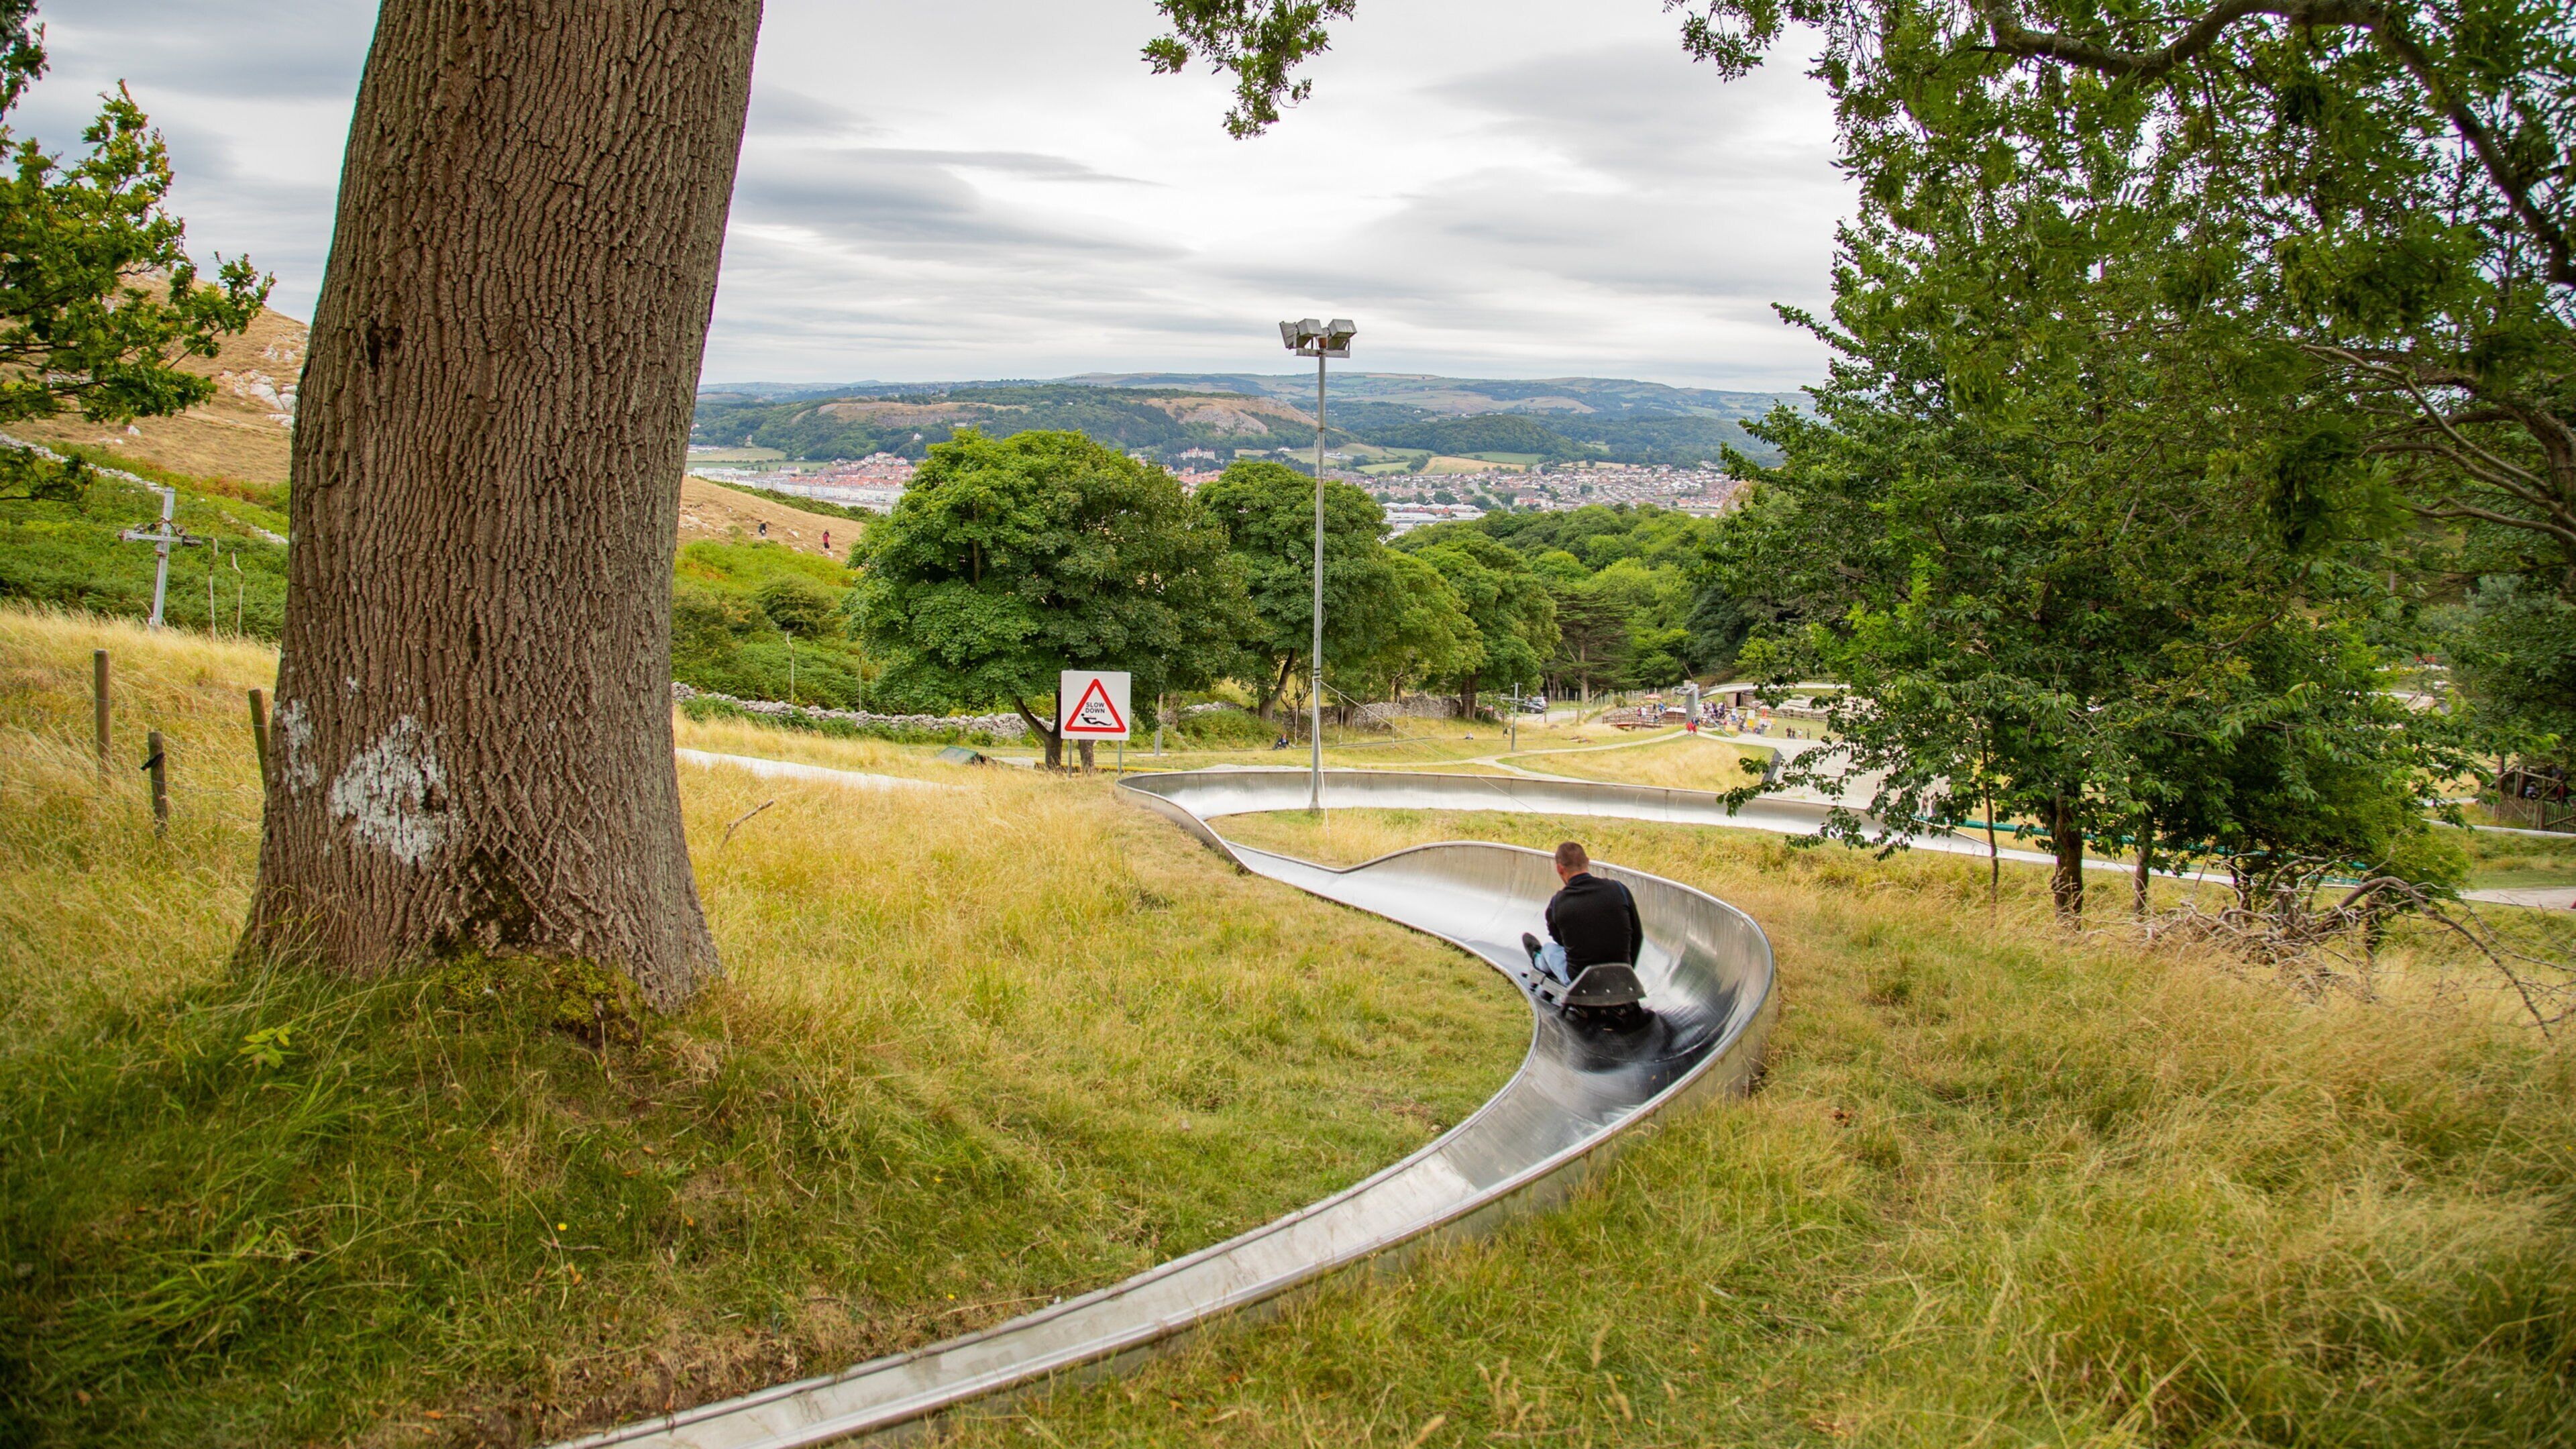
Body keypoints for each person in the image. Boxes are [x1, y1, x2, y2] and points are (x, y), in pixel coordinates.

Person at [1521, 841, 1642, 987]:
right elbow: (1637, 935)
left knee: (1549, 950)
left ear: (1560, 869)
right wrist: (1627, 970)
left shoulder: (1558, 903)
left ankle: (1537, 957)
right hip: (1620, 974)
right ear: (1587, 862)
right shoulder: (1620, 889)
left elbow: (1563, 943)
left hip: (1581, 981)